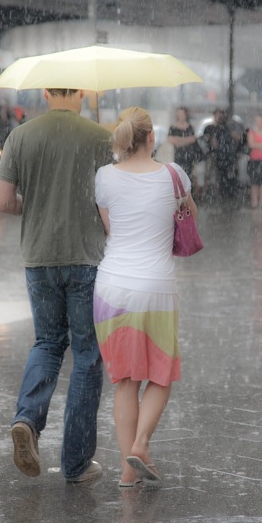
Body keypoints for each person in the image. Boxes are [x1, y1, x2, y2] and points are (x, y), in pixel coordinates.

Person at [0, 88, 113, 483]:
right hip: (85, 258)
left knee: (47, 343)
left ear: (45, 91)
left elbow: (2, 201)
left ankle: (27, 418)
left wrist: (37, 205)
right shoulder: (99, 137)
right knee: (86, 354)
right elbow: (109, 202)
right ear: (82, 91)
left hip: (39, 258)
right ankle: (76, 463)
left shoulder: (21, 135)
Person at [93, 107, 197, 487]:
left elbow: (110, 228)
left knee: (125, 381)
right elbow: (189, 219)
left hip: (111, 289)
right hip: (156, 287)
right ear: (152, 137)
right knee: (161, 373)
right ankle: (140, 444)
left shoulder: (104, 177)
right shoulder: (174, 175)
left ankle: (126, 473)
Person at [203, 108, 242, 200]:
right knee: (217, 176)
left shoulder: (229, 127)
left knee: (231, 176)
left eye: (220, 115)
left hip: (229, 156)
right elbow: (206, 141)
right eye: (217, 115)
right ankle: (219, 194)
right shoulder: (210, 128)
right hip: (216, 156)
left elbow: (238, 138)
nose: (219, 117)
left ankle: (231, 194)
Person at [167, 106, 198, 184]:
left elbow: (193, 139)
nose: (180, 116)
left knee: (188, 176)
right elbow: (170, 140)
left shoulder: (190, 127)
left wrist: (178, 139)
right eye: (179, 114)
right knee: (177, 177)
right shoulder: (173, 127)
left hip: (189, 157)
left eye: (182, 114)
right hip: (176, 156)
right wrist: (185, 140)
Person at [247, 114, 262, 209]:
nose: (258, 123)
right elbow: (251, 144)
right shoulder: (251, 132)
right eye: (256, 121)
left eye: (260, 121)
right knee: (254, 182)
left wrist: (257, 144)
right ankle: (254, 202)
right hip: (254, 160)